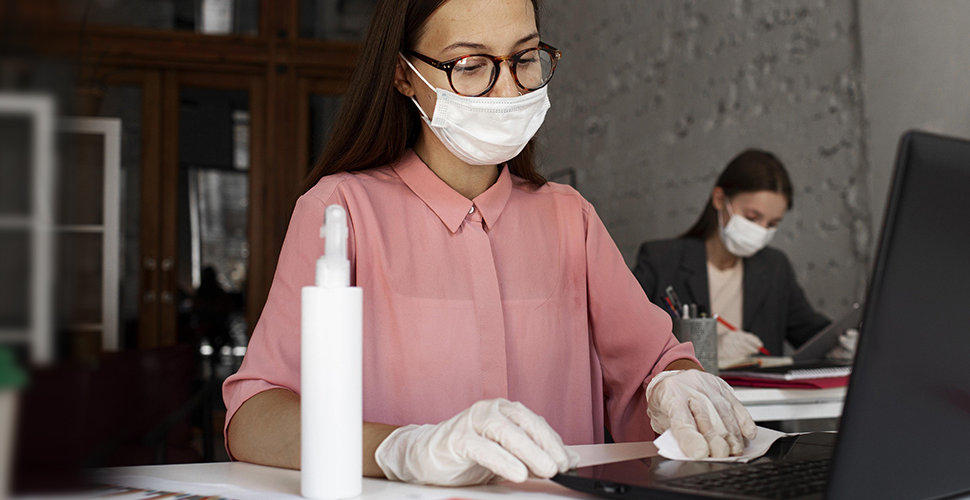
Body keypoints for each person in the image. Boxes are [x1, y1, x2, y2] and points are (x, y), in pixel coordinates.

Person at [222, 0, 758, 487]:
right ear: (404, 76)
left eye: (525, 59)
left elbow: (651, 367)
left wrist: (678, 385)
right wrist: (401, 448)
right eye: (471, 66)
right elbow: (254, 415)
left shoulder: (569, 216)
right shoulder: (341, 211)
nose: (508, 91)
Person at [633, 150, 831, 369]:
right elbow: (628, 340)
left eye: (773, 224)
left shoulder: (775, 267)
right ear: (719, 199)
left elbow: (811, 334)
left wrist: (842, 345)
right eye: (752, 217)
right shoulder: (662, 261)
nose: (761, 231)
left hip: (758, 400)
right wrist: (708, 348)